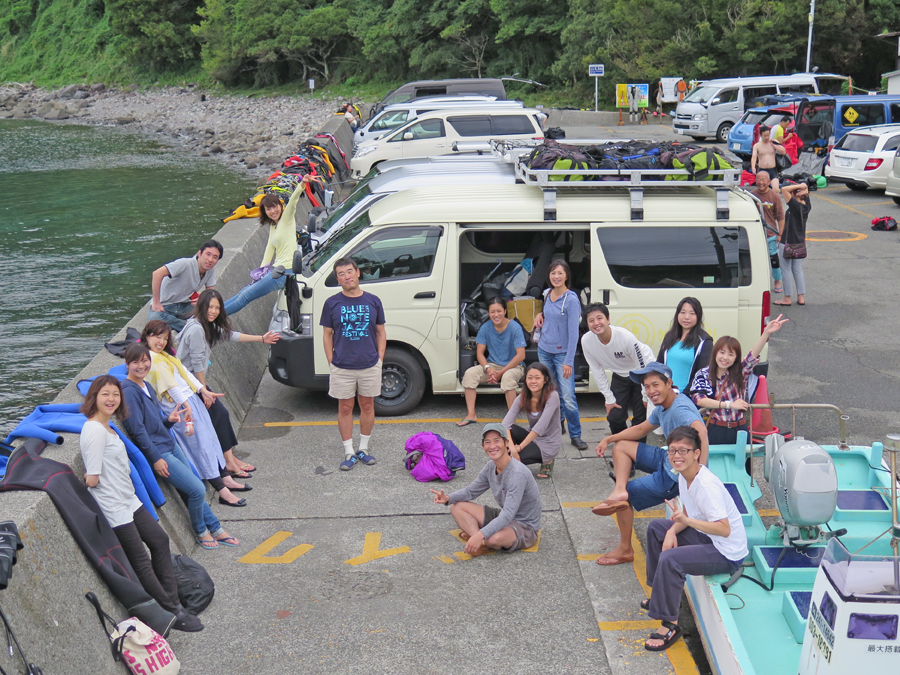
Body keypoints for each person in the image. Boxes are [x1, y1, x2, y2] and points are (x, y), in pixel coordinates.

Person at [79, 376, 203, 632]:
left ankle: (174, 602)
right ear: (94, 397)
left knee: (159, 540)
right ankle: (171, 611)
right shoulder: (93, 430)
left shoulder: (108, 425)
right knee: (141, 561)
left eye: (115, 394)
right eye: (105, 394)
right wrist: (86, 478)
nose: (111, 399)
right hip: (114, 506)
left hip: (129, 499)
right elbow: (92, 478)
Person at [121, 343, 240, 550]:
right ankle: (201, 531)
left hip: (169, 443)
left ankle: (216, 528)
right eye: (135, 362)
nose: (142, 366)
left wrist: (169, 420)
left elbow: (155, 423)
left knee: (193, 487)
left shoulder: (147, 386)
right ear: (127, 364)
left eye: (145, 360)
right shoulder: (128, 391)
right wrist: (156, 458)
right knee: (197, 489)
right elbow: (137, 430)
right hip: (159, 451)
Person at [641, 426, 748, 651]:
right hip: (706, 537)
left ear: (696, 453)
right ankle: (658, 595)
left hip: (725, 552)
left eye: (683, 451)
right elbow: (690, 514)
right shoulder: (685, 475)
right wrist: (671, 531)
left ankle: (669, 625)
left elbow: (724, 529)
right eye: (672, 451)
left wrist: (686, 523)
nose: (677, 456)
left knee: (671, 559)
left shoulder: (706, 485)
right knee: (656, 529)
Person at [591, 362, 709, 566]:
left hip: (674, 475)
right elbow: (639, 430)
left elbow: (702, 432)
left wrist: (699, 475)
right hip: (667, 458)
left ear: (669, 383)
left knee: (626, 499)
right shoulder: (664, 406)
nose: (651, 391)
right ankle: (619, 490)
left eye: (655, 385)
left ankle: (625, 549)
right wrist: (609, 439)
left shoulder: (680, 408)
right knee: (621, 446)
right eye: (647, 386)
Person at [140, 320, 250, 507]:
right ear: (147, 336)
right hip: (179, 405)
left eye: (165, 338)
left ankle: (224, 477)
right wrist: (186, 405)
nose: (161, 341)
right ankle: (222, 491)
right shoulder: (152, 358)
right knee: (200, 445)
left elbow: (185, 373)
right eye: (157, 337)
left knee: (209, 439)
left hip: (189, 400)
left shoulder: (165, 355)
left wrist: (202, 390)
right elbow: (171, 386)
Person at [177, 289, 280, 476]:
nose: (213, 311)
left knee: (220, 415)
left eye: (217, 308)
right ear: (202, 306)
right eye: (210, 307)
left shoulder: (204, 324)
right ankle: (229, 461)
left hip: (193, 382)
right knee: (220, 415)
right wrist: (204, 391)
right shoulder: (197, 330)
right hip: (188, 385)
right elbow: (198, 364)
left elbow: (231, 335)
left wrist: (262, 339)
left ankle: (231, 458)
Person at [430, 423, 541, 557]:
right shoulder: (490, 466)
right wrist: (448, 498)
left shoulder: (517, 474)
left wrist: (480, 534)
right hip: (504, 516)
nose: (492, 446)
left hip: (524, 526)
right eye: (487, 442)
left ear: (506, 443)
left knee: (494, 539)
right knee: (456, 507)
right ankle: (481, 543)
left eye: (497, 441)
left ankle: (480, 540)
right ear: (483, 446)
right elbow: (471, 491)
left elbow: (508, 514)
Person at [320, 257, 386, 471]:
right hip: (342, 366)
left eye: (349, 271)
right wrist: (331, 361)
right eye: (341, 274)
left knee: (367, 406)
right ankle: (349, 451)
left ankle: (363, 449)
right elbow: (327, 334)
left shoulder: (373, 300)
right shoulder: (332, 303)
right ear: (338, 279)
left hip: (369, 364)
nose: (347, 276)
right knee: (345, 407)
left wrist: (380, 358)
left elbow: (381, 331)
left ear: (358, 273)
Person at [689, 315, 788, 446]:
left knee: (742, 465)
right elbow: (699, 399)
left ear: (736, 358)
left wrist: (766, 333)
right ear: (715, 353)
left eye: (731, 354)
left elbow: (752, 356)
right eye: (722, 352)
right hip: (715, 428)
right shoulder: (703, 374)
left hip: (739, 429)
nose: (725, 358)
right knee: (714, 464)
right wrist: (729, 404)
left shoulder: (739, 373)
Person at [224, 182, 316, 316]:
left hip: (285, 273)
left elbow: (293, 201)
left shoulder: (287, 219)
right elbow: (269, 249)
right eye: (268, 209)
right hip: (276, 270)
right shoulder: (274, 226)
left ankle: (209, 319)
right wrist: (260, 274)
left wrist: (302, 184)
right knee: (242, 292)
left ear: (280, 206)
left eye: (274, 207)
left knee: (245, 297)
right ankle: (208, 313)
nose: (273, 211)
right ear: (264, 212)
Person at [531, 260, 586, 450]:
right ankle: (557, 425)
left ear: (566, 276)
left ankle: (576, 434)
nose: (556, 277)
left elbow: (573, 334)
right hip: (544, 350)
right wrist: (539, 315)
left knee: (568, 396)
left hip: (562, 354)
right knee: (551, 392)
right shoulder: (547, 294)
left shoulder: (571, 299)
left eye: (560, 273)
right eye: (553, 273)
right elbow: (548, 315)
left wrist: (569, 361)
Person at [581, 303, 654, 441]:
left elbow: (642, 366)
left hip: (642, 373)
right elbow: (597, 370)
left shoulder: (625, 337)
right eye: (591, 320)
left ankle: (638, 456)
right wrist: (608, 398)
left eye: (599, 318)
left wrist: (645, 394)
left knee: (640, 420)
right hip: (620, 375)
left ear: (608, 319)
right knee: (614, 417)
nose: (596, 323)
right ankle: (624, 448)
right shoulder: (586, 341)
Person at [457, 297, 526, 427]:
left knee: (507, 377)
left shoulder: (515, 327)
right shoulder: (486, 327)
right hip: (493, 365)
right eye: (492, 312)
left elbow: (521, 355)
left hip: (514, 366)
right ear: (488, 313)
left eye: (499, 311)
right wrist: (488, 369)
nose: (496, 315)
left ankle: (511, 418)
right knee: (470, 374)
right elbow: (479, 353)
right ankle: (471, 414)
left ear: (505, 311)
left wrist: (501, 373)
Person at [501, 363, 561, 479]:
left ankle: (547, 460)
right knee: (507, 430)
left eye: (537, 378)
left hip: (548, 443)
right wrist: (512, 448)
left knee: (507, 462)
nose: (533, 381)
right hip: (533, 438)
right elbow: (505, 424)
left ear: (545, 380)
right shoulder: (523, 396)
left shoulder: (552, 396)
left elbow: (540, 428)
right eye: (530, 378)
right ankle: (515, 459)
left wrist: (520, 447)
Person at [149, 240, 222, 332]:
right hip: (165, 305)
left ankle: (188, 326)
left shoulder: (210, 270)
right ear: (200, 253)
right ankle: (190, 327)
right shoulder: (185, 264)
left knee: (209, 310)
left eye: (215, 257)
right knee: (155, 317)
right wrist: (156, 302)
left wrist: (203, 297)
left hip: (184, 306)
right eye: (208, 254)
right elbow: (157, 274)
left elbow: (210, 294)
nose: (210, 259)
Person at [656, 297, 712, 397]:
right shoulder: (669, 336)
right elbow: (659, 365)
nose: (686, 317)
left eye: (692, 313)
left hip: (685, 397)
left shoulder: (704, 341)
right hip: (664, 395)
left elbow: (701, 374)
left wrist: (683, 395)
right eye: (683, 312)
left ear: (698, 316)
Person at [749, 171, 786, 294]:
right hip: (756, 236)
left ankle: (777, 281)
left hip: (771, 236)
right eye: (758, 179)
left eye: (764, 180)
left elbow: (781, 217)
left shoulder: (774, 196)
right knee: (755, 261)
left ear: (769, 182)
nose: (761, 182)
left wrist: (780, 235)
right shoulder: (751, 196)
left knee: (774, 260)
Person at [775, 182, 811, 307]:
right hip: (799, 242)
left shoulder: (795, 205)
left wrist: (799, 186)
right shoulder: (807, 206)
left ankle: (787, 297)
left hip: (788, 242)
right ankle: (801, 296)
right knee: (797, 269)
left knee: (785, 269)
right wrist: (803, 187)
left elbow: (783, 189)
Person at [750, 125, 788, 190]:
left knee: (776, 189)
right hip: (762, 169)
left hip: (772, 169)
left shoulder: (774, 142)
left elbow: (784, 152)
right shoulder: (757, 146)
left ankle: (773, 200)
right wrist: (753, 167)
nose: (767, 137)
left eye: (768, 135)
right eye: (765, 136)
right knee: (763, 189)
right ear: (761, 135)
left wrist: (775, 146)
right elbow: (754, 157)